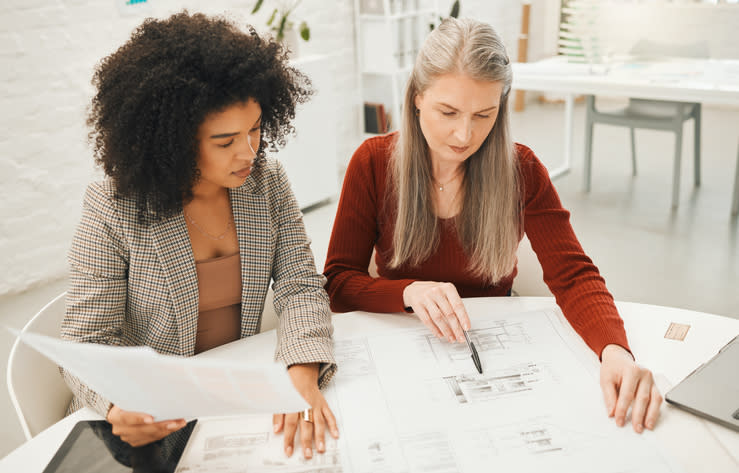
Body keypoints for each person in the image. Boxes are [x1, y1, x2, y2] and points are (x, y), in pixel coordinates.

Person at [324, 18, 662, 434]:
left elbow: (573, 275)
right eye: (447, 112)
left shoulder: (522, 169)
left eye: (484, 115)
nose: (464, 135)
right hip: (401, 340)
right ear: (416, 98)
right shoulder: (373, 163)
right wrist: (408, 291)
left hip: (495, 346)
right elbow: (337, 283)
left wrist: (615, 351)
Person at [61, 11, 337, 459]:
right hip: (150, 417)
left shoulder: (266, 181)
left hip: (233, 400)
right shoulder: (114, 204)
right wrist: (116, 407)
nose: (250, 152)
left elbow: (300, 285)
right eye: (225, 142)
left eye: (256, 129)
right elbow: (86, 341)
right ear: (173, 140)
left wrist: (302, 372)